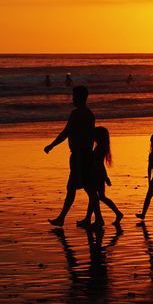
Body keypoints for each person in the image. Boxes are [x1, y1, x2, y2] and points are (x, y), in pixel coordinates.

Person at [43, 85, 95, 226]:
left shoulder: (76, 114)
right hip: (86, 154)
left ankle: (62, 218)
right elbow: (91, 136)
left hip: (79, 155)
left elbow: (66, 132)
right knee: (89, 188)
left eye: (74, 96)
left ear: (78, 98)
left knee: (74, 187)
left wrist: (52, 145)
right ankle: (88, 218)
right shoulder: (89, 114)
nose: (72, 99)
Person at [80, 126, 123, 228]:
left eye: (95, 135)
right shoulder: (101, 147)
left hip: (97, 174)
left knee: (95, 197)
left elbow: (98, 164)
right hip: (99, 174)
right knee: (98, 197)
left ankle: (116, 213)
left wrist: (104, 176)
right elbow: (100, 164)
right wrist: (105, 177)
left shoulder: (99, 148)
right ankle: (88, 218)